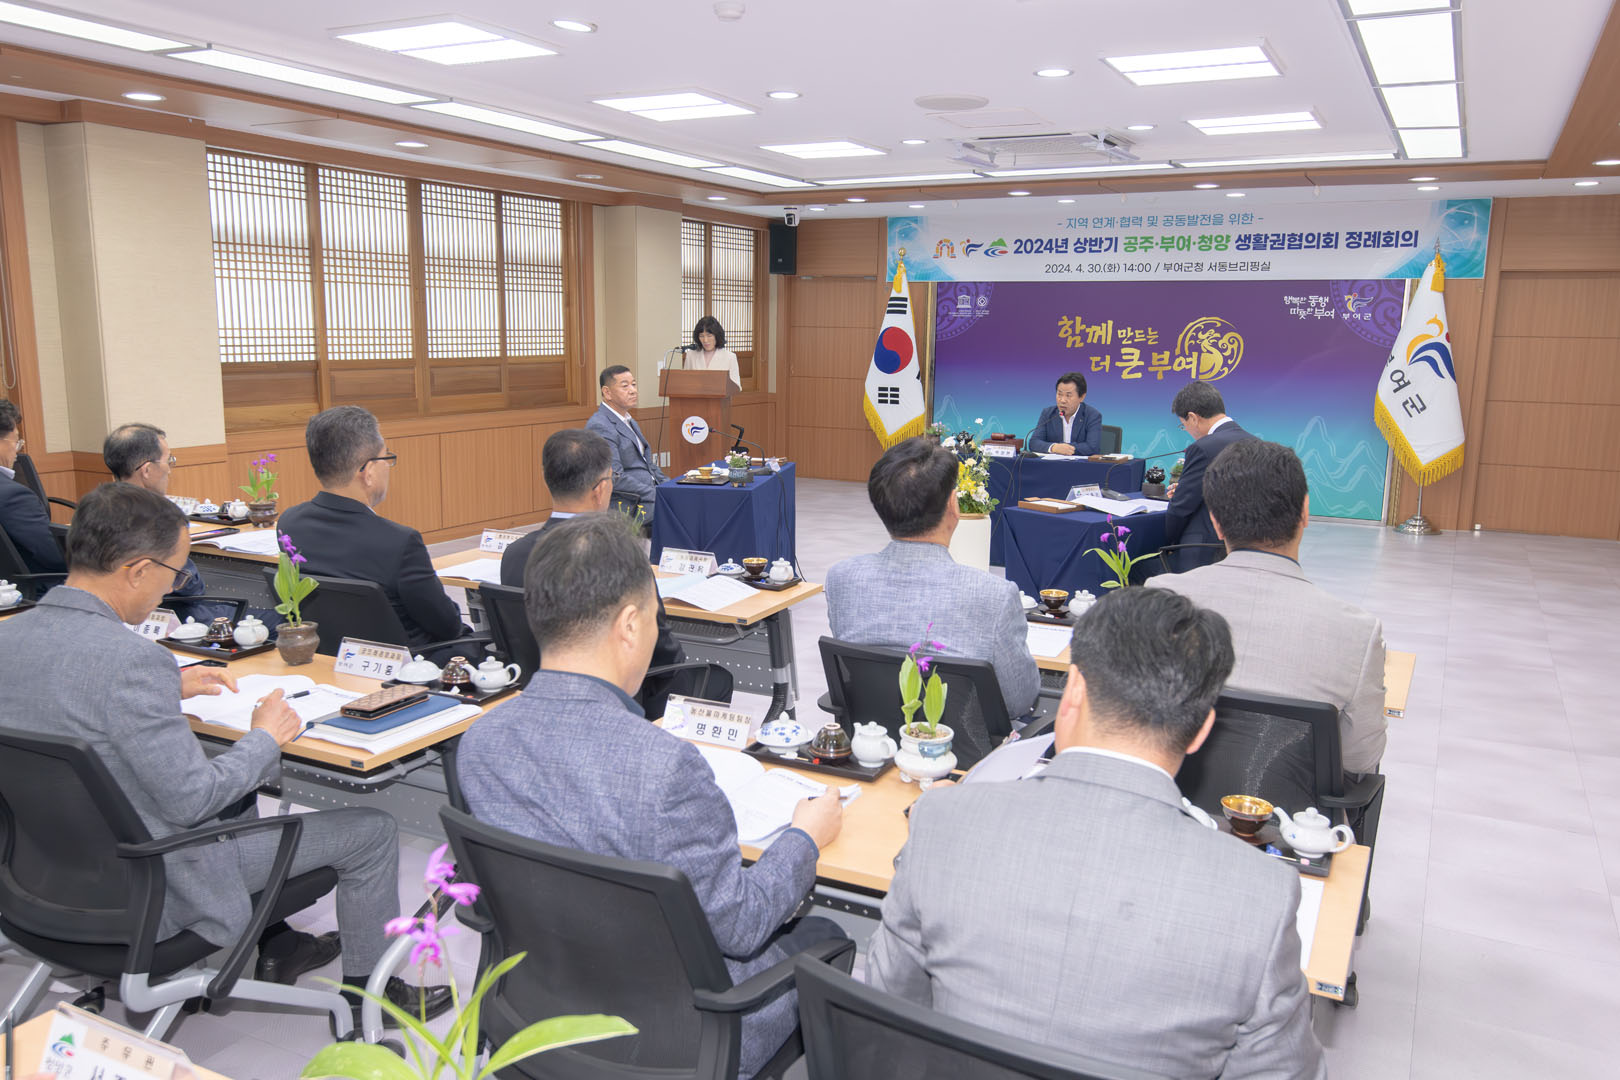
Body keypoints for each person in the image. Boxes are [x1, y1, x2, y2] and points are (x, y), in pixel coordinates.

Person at [0, 483, 450, 1025]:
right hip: (156, 882)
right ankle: (369, 1003)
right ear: (138, 571)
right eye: (175, 574)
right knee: (372, 829)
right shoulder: (131, 661)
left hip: (41, 881)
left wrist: (167, 687)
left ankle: (280, 944)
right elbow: (193, 800)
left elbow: (65, 699)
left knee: (238, 795)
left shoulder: (10, 639)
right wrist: (265, 736)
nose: (172, 589)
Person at [868, 587, 1325, 1080]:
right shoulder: (1262, 895)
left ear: (1074, 691)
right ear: (1201, 730)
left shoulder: (942, 820)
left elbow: (885, 1014)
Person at [459, 514, 846, 1079]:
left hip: (537, 1012)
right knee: (826, 937)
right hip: (680, 1039)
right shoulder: (666, 768)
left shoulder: (481, 742)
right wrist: (805, 837)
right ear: (631, 624)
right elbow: (741, 927)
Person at [1150, 439, 1388, 775]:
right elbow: (1359, 759)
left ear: (1216, 522)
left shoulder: (1160, 597)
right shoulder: (1358, 632)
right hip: (1286, 806)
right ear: (1305, 512)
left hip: (1177, 794)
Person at [825, 437, 1038, 752]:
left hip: (874, 754)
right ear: (953, 505)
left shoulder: (842, 578)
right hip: (963, 766)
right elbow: (1019, 700)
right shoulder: (994, 595)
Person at [499, 428, 732, 714]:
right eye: (613, 478)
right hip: (617, 704)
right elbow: (661, 649)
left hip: (539, 695)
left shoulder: (515, 554)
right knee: (716, 678)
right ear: (599, 490)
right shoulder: (621, 555)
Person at [278, 406, 470, 652]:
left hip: (328, 655)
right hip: (408, 664)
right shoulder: (399, 541)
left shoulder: (289, 523)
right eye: (385, 458)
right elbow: (446, 625)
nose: (388, 466)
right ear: (368, 472)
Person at [103, 421, 227, 620]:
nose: (169, 470)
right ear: (147, 470)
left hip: (118, 613)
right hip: (178, 615)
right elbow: (191, 587)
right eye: (168, 461)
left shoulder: (98, 508)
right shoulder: (159, 518)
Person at [1162, 380, 1254, 572]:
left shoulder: (1202, 448)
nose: (1187, 431)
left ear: (1192, 418)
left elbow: (1181, 509)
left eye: (1183, 425)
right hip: (1244, 548)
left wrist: (1168, 543)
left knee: (1136, 569)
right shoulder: (1254, 442)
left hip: (1203, 552)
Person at [585, 365, 667, 525]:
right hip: (629, 504)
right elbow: (614, 477)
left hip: (647, 495)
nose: (633, 390)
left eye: (634, 384)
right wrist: (656, 493)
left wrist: (671, 486)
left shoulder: (628, 420)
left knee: (690, 501)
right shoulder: (600, 425)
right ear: (607, 392)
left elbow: (648, 465)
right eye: (625, 386)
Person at [0, 399, 66, 578]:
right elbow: (55, 555)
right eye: (16, 442)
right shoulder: (13, 496)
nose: (17, 451)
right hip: (38, 587)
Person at [1028, 371, 1102, 455]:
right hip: (1052, 463)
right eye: (1059, 394)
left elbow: (1092, 447)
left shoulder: (1092, 415)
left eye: (1068, 395)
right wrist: (1054, 447)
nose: (1062, 400)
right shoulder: (1048, 414)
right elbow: (1034, 443)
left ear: (1082, 397)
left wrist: (1065, 449)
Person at [684, 314, 741, 393]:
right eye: (701, 336)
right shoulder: (691, 355)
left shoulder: (730, 357)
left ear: (717, 336)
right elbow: (685, 382)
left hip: (720, 399)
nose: (705, 340)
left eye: (709, 335)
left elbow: (737, 386)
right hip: (695, 398)